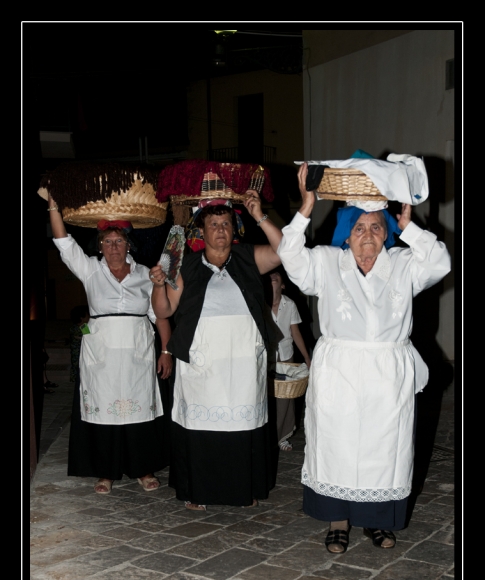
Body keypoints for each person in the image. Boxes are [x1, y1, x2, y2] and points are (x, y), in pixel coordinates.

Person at [277, 163, 451, 552]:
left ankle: (376, 520)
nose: (368, 236)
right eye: (359, 228)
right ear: (347, 234)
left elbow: (441, 262)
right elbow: (289, 256)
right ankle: (338, 520)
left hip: (387, 373)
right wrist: (306, 208)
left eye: (376, 228)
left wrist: (409, 227)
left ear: (386, 233)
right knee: (338, 445)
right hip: (341, 370)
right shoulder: (325, 263)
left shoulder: (405, 265)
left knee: (384, 447)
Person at [149, 191, 283, 510]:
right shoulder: (186, 265)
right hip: (202, 360)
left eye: (225, 223)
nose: (220, 229)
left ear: (234, 229)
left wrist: (259, 215)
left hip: (243, 361)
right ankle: (199, 492)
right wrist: (157, 282)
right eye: (213, 224)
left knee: (242, 425)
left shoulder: (250, 257)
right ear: (202, 231)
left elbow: (286, 251)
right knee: (201, 427)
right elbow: (164, 310)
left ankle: (243, 488)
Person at [47, 194, 172, 494]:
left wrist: (166, 350)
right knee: (103, 411)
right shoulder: (90, 269)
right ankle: (106, 472)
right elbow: (63, 242)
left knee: (139, 411)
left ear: (129, 244)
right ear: (99, 246)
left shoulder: (146, 274)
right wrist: (54, 204)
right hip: (100, 355)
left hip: (138, 354)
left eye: (118, 241)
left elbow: (160, 316)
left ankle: (143, 469)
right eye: (107, 242)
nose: (113, 247)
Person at [269, 266, 311, 451]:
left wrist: (307, 358)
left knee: (286, 399)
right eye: (269, 275)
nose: (272, 276)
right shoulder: (260, 303)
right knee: (269, 398)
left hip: (286, 356)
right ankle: (268, 436)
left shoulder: (290, 304)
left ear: (283, 285)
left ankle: (282, 437)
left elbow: (296, 332)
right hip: (268, 357)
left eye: (276, 275)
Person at [68, 305, 90, 382]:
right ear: (81, 318)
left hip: (76, 353)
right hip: (80, 353)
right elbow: (88, 338)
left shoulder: (74, 327)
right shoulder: (83, 326)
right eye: (87, 315)